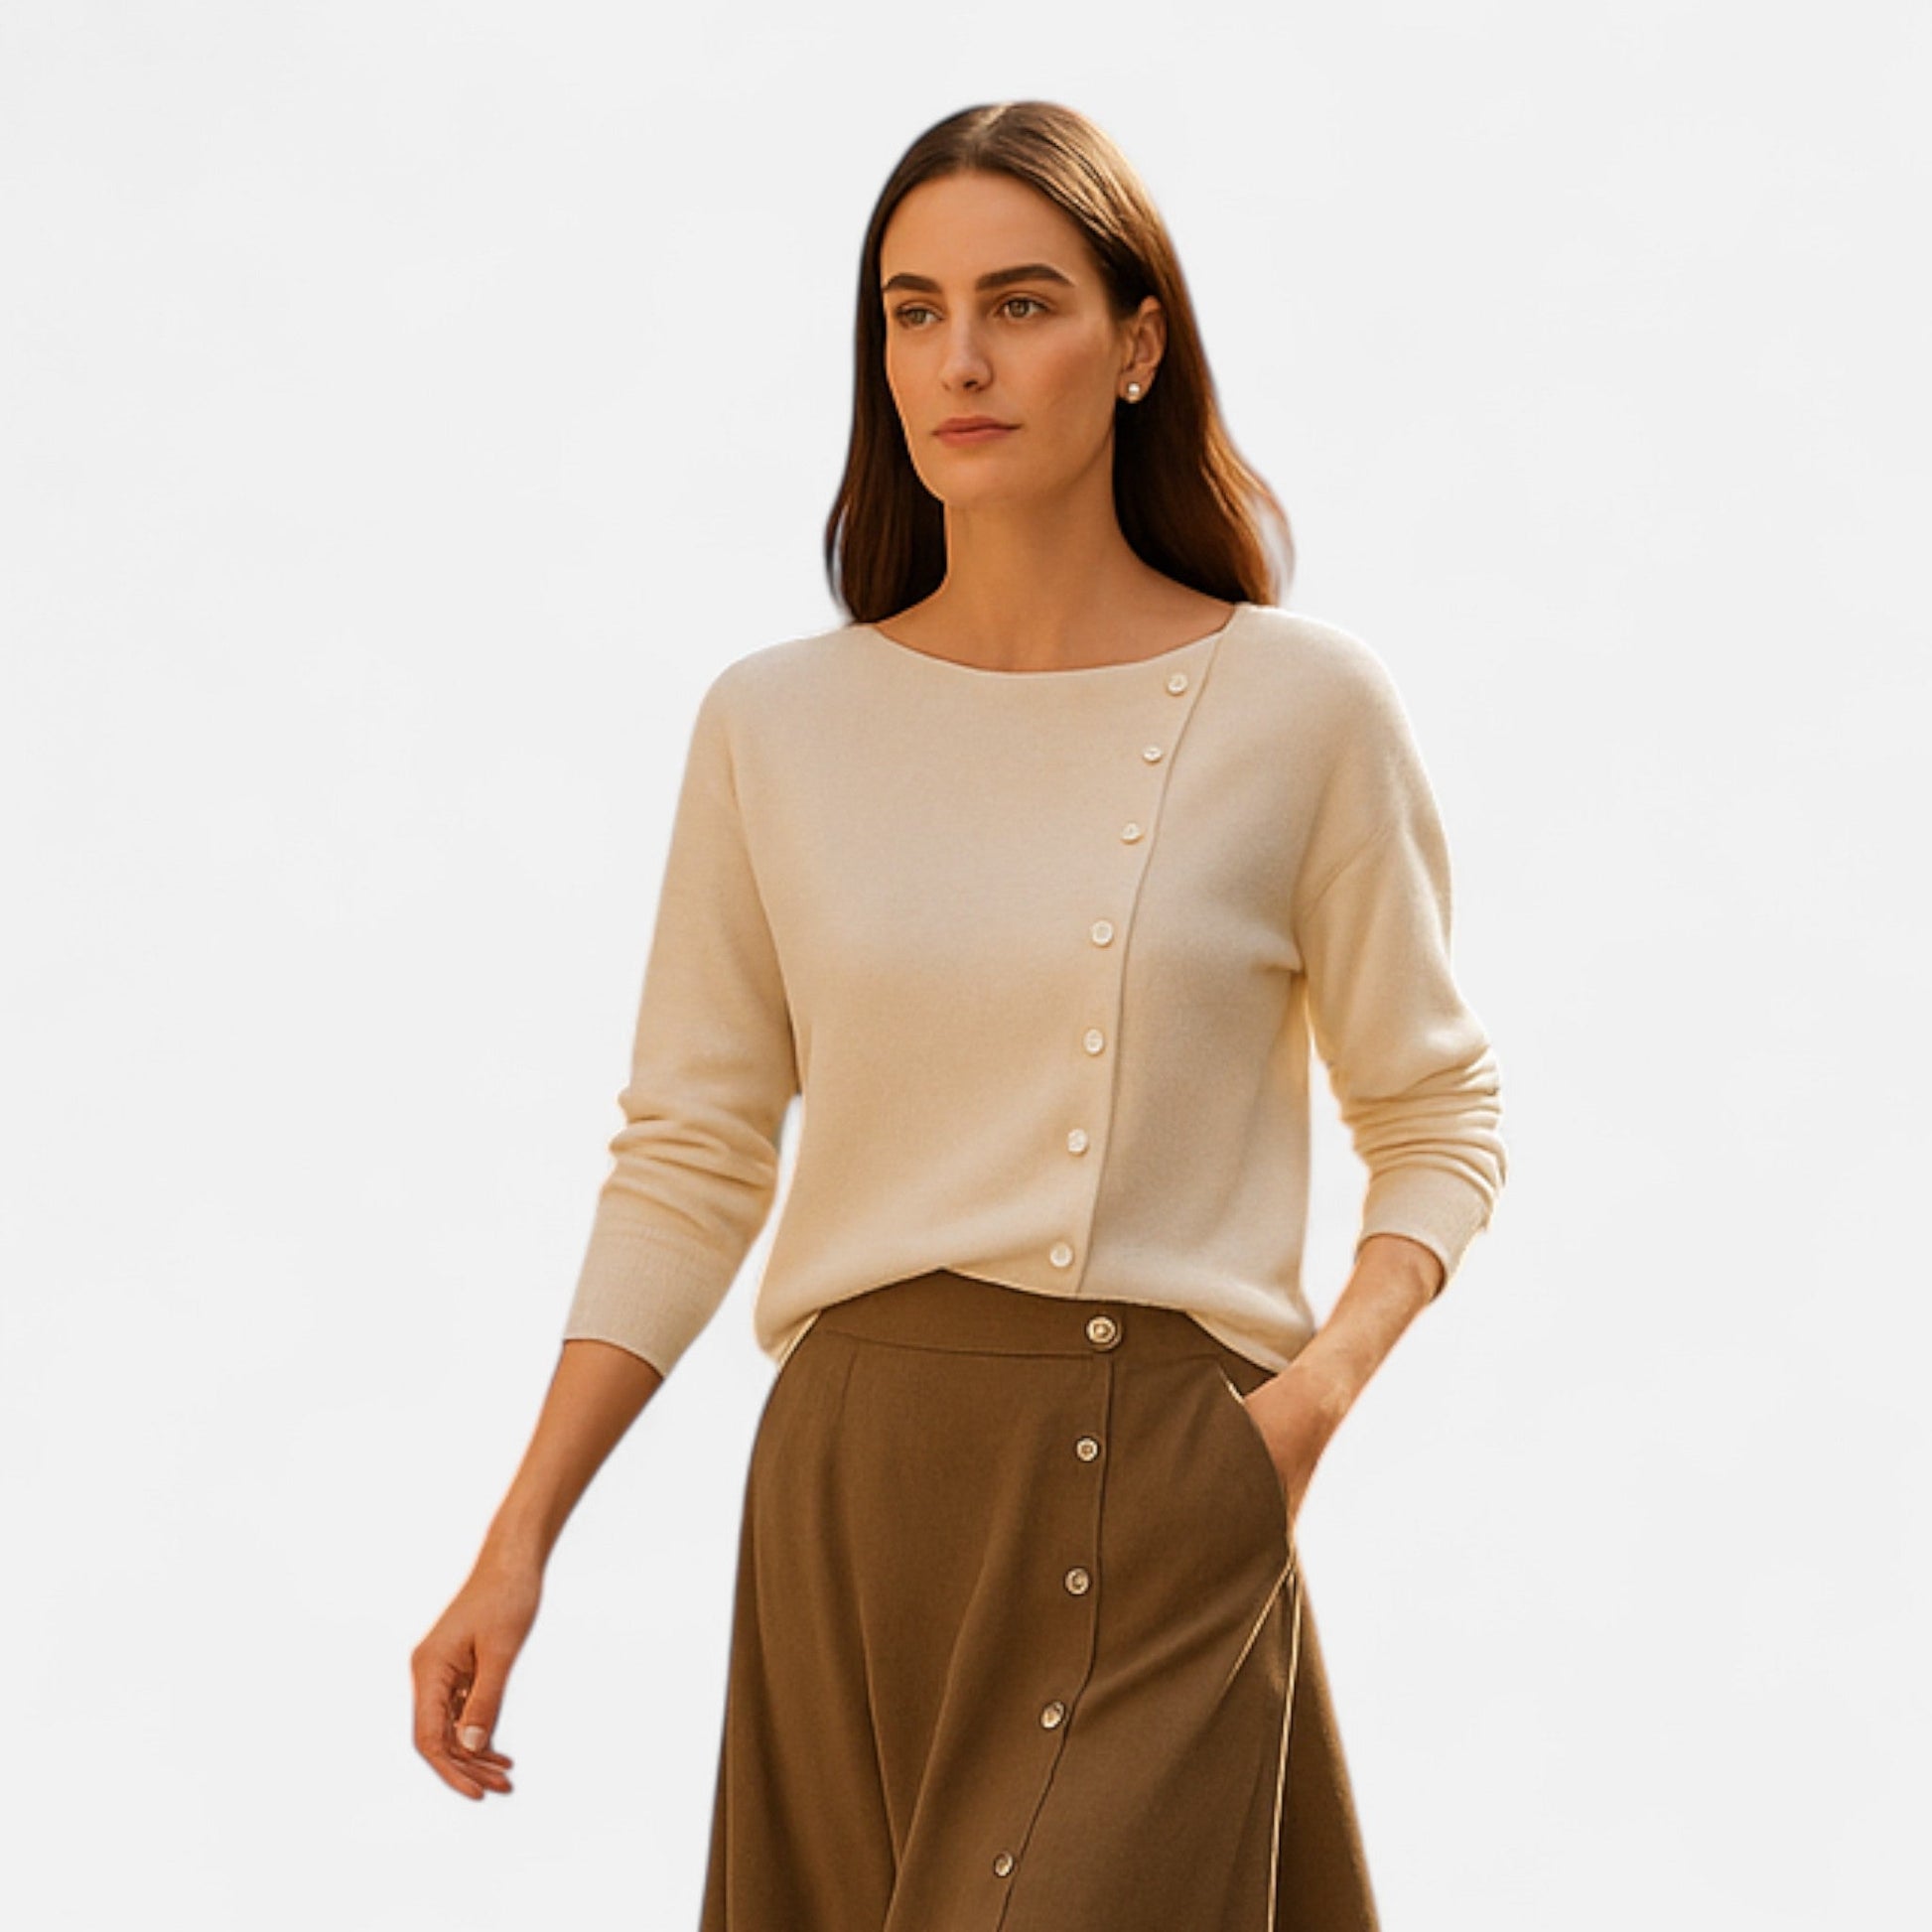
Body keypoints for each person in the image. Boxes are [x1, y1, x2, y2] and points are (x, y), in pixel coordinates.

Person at [411, 98, 1507, 1930]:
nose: (959, 360)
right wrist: (517, 1536)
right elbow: (690, 1149)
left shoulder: (1301, 708)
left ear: (1137, 344)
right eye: (912, 312)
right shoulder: (773, 724)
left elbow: (1437, 1117)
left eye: (1019, 302)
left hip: (1159, 1471)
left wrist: (1301, 1412)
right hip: (850, 1490)